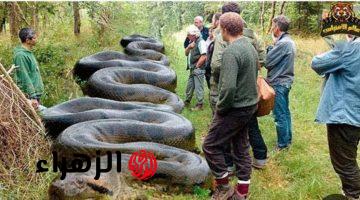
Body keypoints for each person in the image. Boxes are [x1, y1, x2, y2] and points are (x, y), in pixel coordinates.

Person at [203, 12, 258, 200]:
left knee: (210, 145)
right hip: (250, 106)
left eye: (220, 28)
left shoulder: (231, 52)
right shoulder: (250, 46)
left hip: (235, 108)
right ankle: (242, 193)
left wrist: (221, 108)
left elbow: (228, 87)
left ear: (225, 29)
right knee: (241, 148)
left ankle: (224, 187)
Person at [210, 2, 268, 171]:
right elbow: (262, 58)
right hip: (249, 88)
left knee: (223, 131)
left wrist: (233, 69)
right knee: (250, 124)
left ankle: (228, 166)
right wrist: (250, 68)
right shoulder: (251, 34)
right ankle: (260, 157)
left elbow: (215, 64)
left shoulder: (222, 35)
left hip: (229, 89)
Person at [311, 34, 360, 200]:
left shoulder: (351, 48)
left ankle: (352, 195)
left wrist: (340, 47)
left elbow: (317, 63)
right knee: (349, 158)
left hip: (345, 114)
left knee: (345, 163)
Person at [265, 15, 296, 151]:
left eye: (273, 26)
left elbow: (267, 61)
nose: (272, 28)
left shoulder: (283, 43)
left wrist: (270, 48)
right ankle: (287, 140)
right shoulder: (288, 41)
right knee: (285, 112)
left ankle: (282, 145)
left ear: (277, 28)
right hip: (285, 81)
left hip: (279, 82)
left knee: (279, 115)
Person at [13, 27, 44, 110]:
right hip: (30, 96)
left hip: (35, 93)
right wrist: (32, 96)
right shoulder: (20, 56)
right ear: (27, 40)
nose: (36, 39)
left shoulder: (28, 53)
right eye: (34, 38)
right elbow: (24, 76)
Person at [184, 25, 207, 111]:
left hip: (198, 69)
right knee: (189, 86)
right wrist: (189, 47)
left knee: (198, 87)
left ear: (194, 34)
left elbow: (204, 56)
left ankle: (199, 105)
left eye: (189, 34)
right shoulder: (192, 41)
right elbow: (186, 54)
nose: (187, 36)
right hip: (192, 69)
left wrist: (197, 67)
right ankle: (186, 101)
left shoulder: (201, 42)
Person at [204, 13, 221, 90]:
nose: (212, 22)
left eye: (213, 20)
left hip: (214, 68)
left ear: (217, 21)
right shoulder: (212, 32)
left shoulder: (220, 34)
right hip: (209, 66)